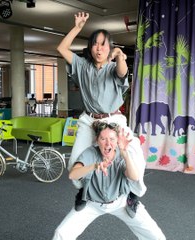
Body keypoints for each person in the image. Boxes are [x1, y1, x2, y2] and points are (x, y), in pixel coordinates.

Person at [57, 12, 146, 217]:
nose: (99, 48)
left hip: (113, 118)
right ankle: (83, 191)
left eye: (103, 44)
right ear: (90, 47)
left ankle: (133, 195)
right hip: (89, 120)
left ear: (109, 48)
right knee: (75, 163)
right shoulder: (81, 66)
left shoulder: (114, 67)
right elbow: (61, 48)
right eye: (95, 44)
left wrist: (121, 57)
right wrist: (77, 28)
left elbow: (122, 72)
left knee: (135, 157)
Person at [52, 121, 166, 240]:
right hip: (92, 203)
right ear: (97, 140)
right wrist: (94, 166)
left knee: (156, 236)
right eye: (103, 139)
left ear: (117, 141)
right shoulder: (91, 153)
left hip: (121, 202)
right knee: (61, 234)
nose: (107, 143)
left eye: (112, 139)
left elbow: (134, 177)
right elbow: (73, 175)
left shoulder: (122, 155)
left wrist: (125, 154)